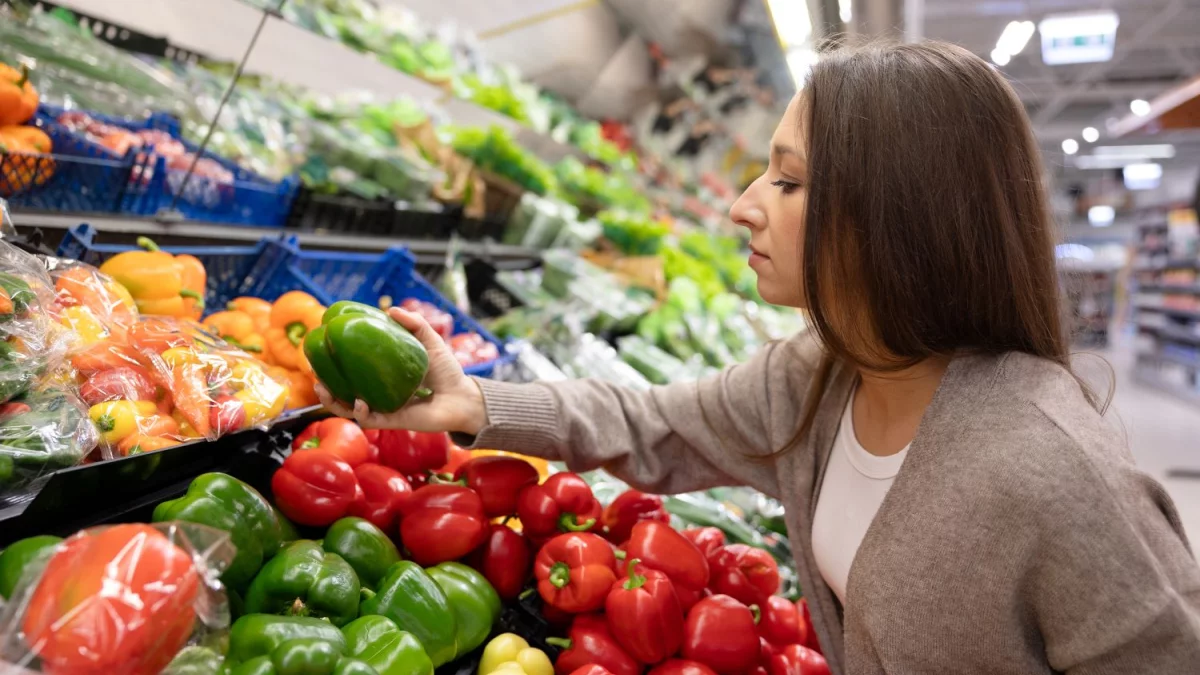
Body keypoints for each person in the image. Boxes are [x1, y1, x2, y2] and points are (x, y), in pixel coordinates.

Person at [320, 41, 1200, 674]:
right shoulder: (826, 372)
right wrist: (473, 406)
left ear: (891, 215)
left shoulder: (1057, 477)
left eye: (785, 180)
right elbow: (653, 422)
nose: (744, 207)